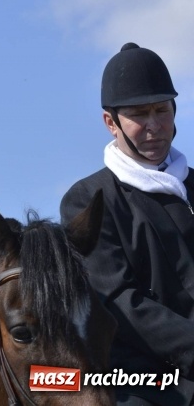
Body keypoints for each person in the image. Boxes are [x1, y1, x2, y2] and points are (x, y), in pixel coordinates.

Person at [61, 42, 194, 406]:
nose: (154, 127)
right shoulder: (88, 200)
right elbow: (118, 300)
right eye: (139, 115)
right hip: (142, 378)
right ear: (111, 122)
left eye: (161, 111)